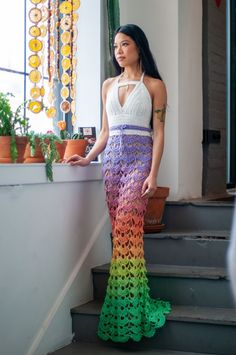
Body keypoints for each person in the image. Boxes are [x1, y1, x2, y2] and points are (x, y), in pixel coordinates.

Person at [66, 24, 171, 342]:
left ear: (139, 46)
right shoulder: (108, 85)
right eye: (115, 46)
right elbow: (105, 133)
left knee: (128, 227)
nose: (119, 51)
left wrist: (153, 174)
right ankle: (131, 300)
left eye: (125, 44)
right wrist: (87, 158)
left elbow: (160, 132)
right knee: (122, 235)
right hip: (112, 164)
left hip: (139, 162)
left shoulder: (154, 85)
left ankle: (128, 306)